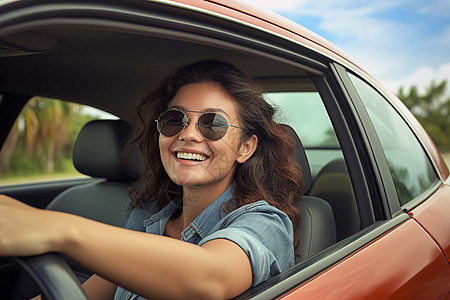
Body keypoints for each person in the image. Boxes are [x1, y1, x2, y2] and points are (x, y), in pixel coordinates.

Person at [0, 59, 302, 299]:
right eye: (175, 119)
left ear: (245, 147)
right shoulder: (147, 218)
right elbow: (89, 293)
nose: (188, 134)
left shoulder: (266, 223)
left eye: (213, 124)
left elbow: (209, 279)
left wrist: (58, 229)